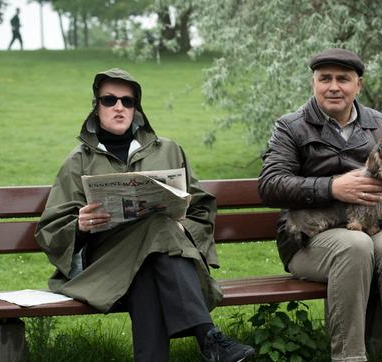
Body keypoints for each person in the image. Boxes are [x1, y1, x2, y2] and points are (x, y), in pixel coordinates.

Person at [35, 68, 254, 362]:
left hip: (157, 262)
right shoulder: (78, 161)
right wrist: (80, 225)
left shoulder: (169, 150)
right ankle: (208, 338)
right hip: (106, 266)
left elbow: (201, 208)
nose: (119, 107)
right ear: (96, 106)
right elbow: (50, 229)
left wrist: (182, 225)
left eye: (128, 101)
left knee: (153, 254)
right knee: (157, 227)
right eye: (109, 100)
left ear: (137, 108)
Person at [258, 48, 382, 361]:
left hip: (373, 223)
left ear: (358, 85)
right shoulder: (291, 127)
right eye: (325, 79)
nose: (333, 86)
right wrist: (332, 187)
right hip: (309, 236)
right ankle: (350, 357)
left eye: (343, 79)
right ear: (314, 83)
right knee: (354, 246)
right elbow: (269, 185)